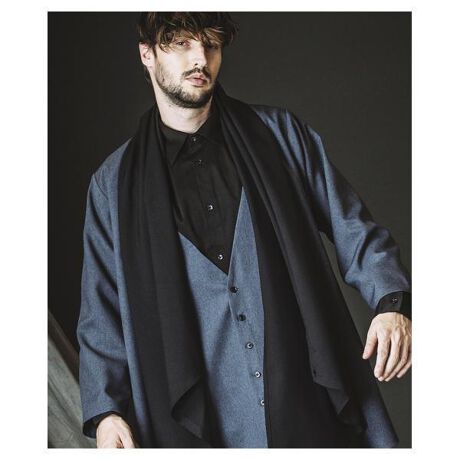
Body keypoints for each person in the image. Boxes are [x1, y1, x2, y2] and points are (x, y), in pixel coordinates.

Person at [76, 12, 412, 449]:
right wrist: (106, 412)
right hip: (200, 426)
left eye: (211, 44)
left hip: (307, 396)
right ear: (147, 54)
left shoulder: (280, 136)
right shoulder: (113, 185)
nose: (200, 58)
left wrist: (391, 303)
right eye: (182, 44)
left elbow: (352, 225)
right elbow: (100, 311)